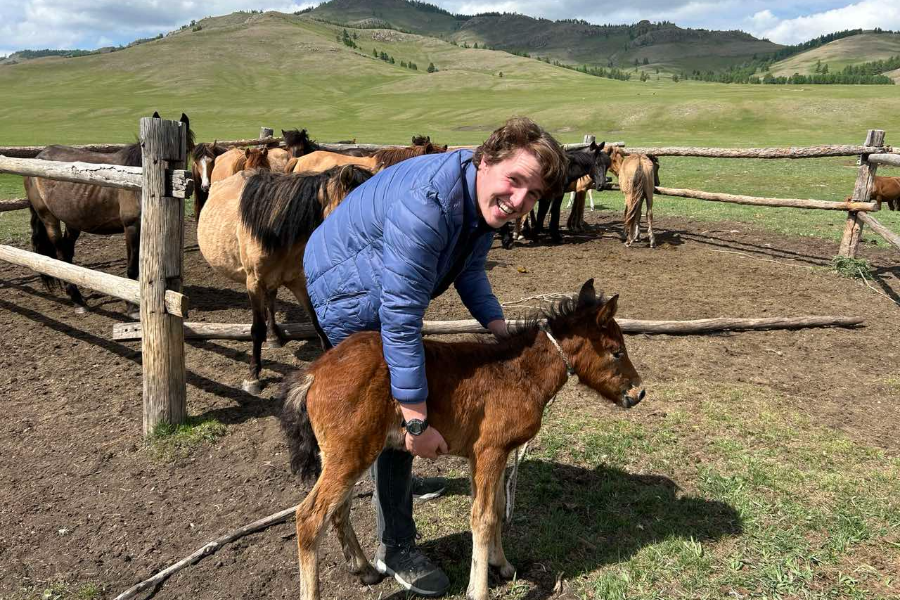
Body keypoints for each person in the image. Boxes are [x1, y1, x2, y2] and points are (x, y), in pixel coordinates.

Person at [302, 117, 568, 597]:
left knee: (397, 402)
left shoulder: (482, 204)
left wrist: (502, 332)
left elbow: (471, 273)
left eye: (533, 195)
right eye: (515, 180)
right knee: (385, 405)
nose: (519, 201)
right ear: (485, 160)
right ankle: (396, 544)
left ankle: (388, 498)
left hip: (374, 278)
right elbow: (400, 315)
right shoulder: (429, 205)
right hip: (346, 286)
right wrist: (418, 423)